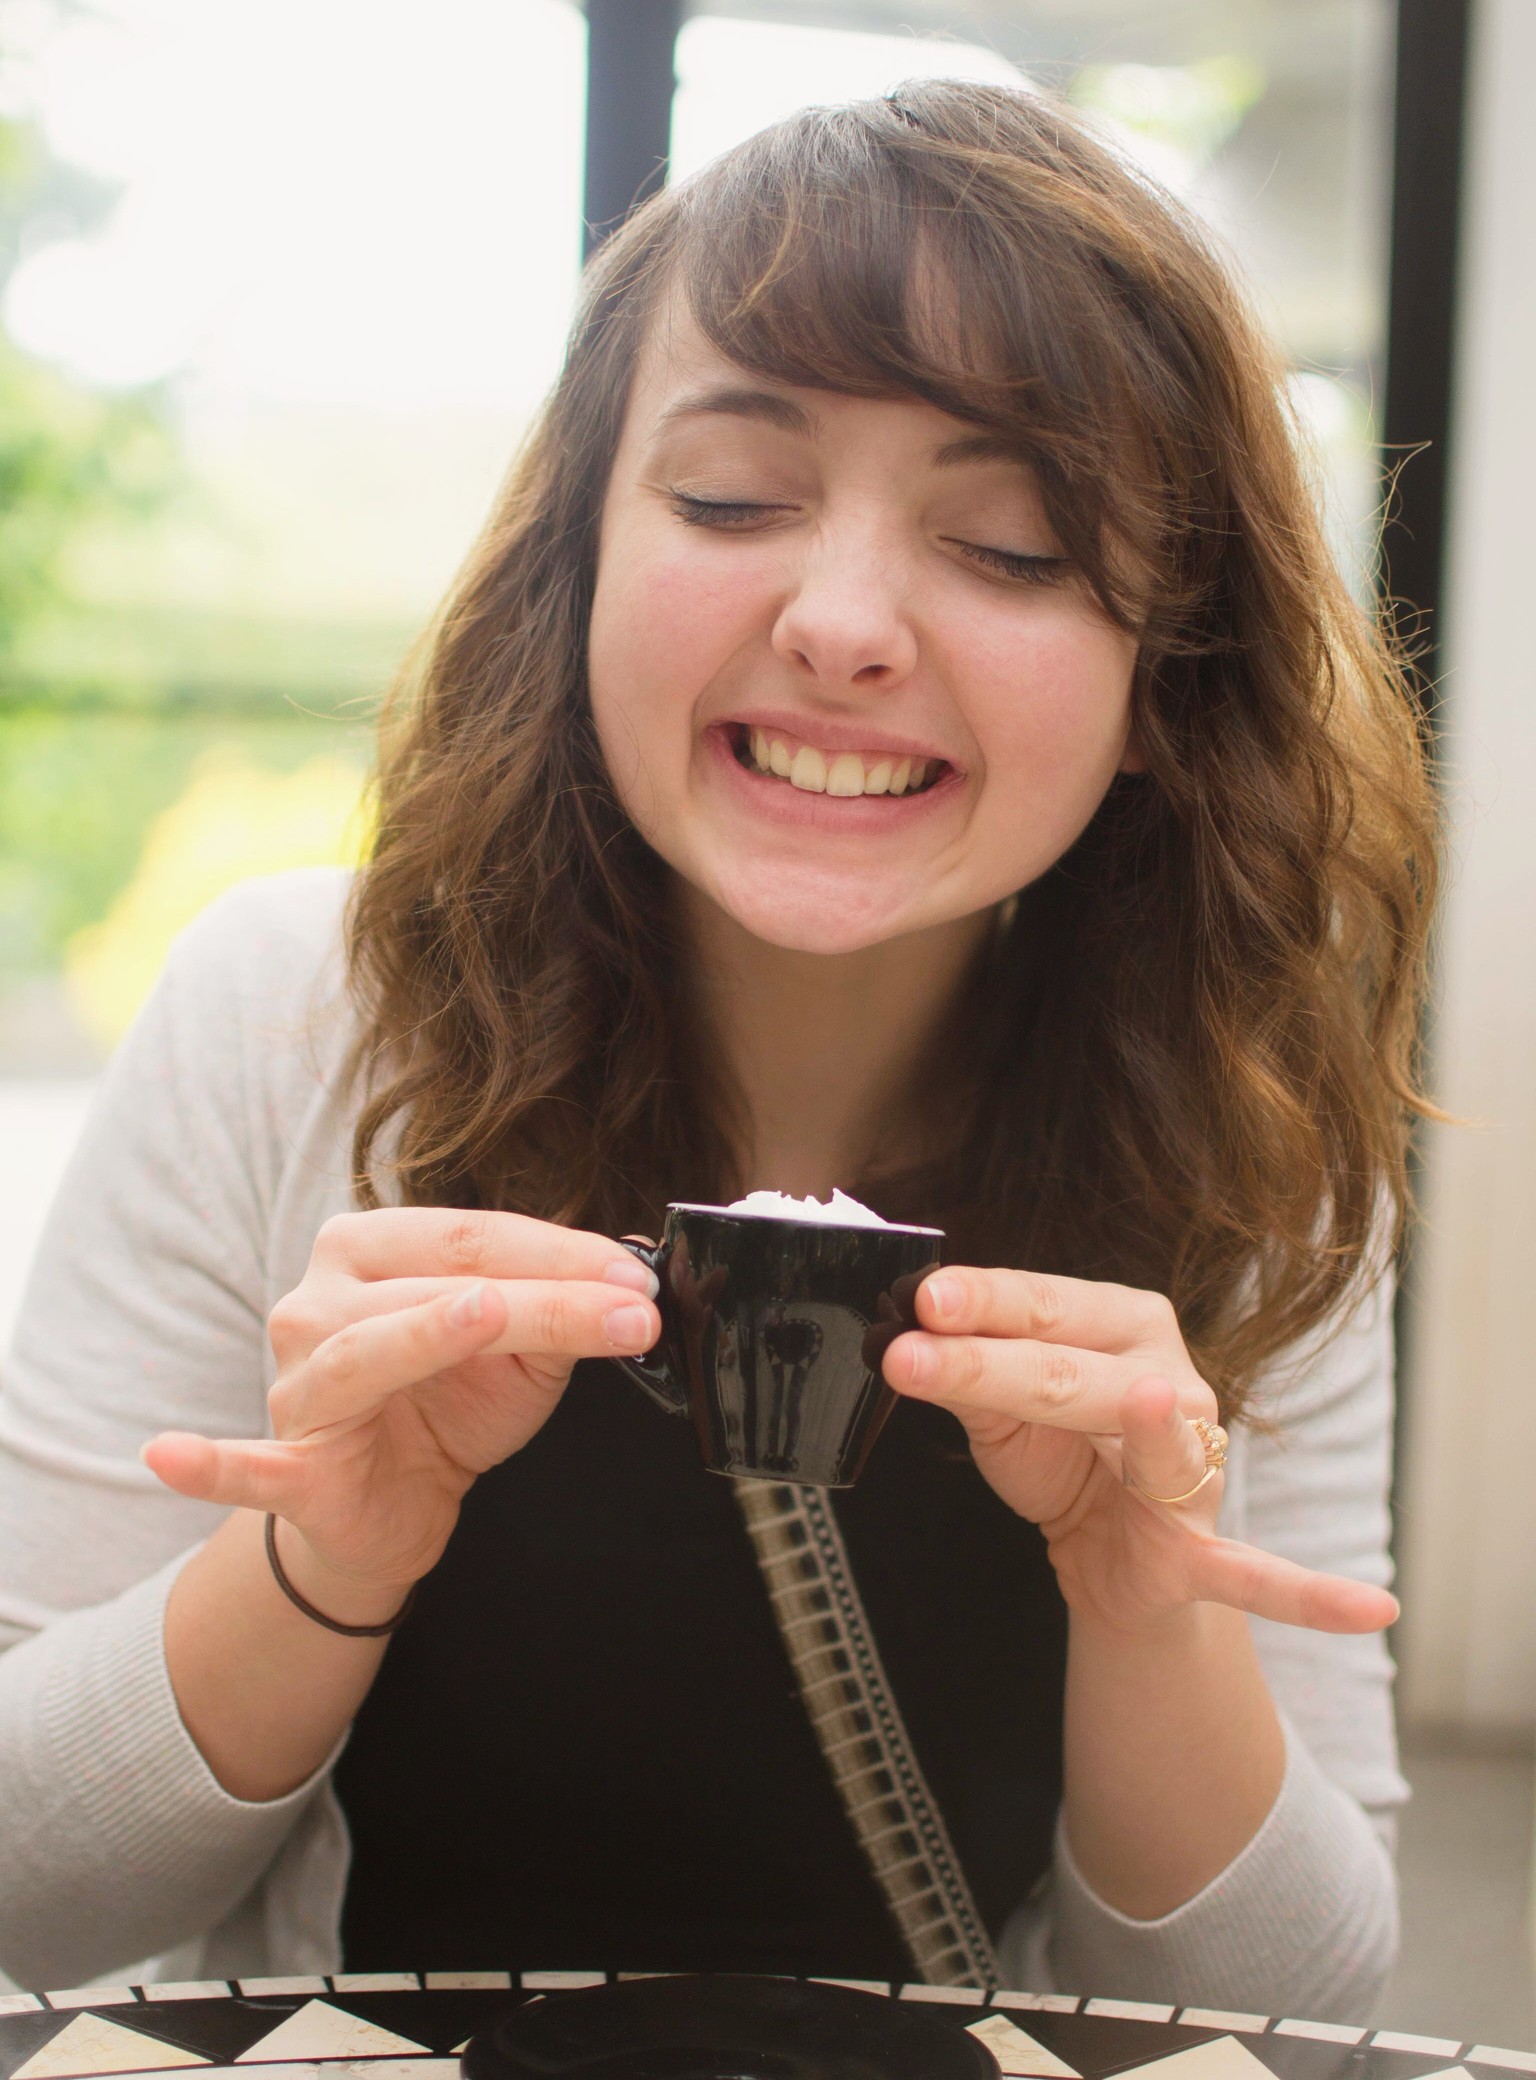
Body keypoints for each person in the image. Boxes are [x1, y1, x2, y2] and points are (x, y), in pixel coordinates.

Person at [0, 82, 1436, 2017]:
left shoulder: (1232, 1135)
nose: (841, 621)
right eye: (733, 500)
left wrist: (1149, 1619)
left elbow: (1314, 2026)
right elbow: (26, 1905)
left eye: (1008, 542)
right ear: (578, 559)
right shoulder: (293, 1019)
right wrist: (318, 1562)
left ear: (1170, 676)